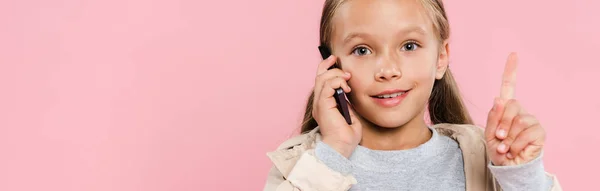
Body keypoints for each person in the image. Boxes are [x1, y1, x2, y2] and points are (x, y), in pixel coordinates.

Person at [263, 0, 562, 190]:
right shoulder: (304, 166)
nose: (389, 70)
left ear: (441, 57)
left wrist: (523, 178)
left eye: (409, 46)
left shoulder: (484, 161)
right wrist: (333, 153)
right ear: (331, 64)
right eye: (362, 50)